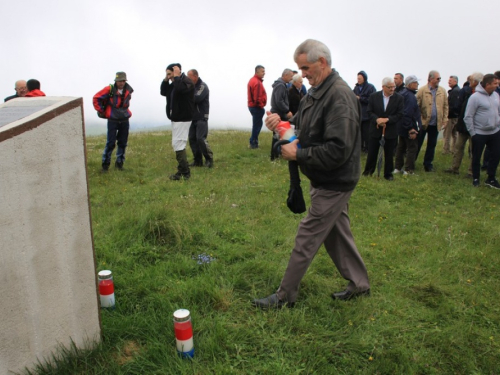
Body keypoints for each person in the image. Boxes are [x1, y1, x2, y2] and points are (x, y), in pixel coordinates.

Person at [253, 39, 370, 309]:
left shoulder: (340, 96)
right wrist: (280, 123)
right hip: (323, 177)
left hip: (335, 181)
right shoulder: (317, 91)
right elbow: (301, 125)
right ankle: (360, 284)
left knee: (307, 235)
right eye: (299, 68)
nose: (301, 74)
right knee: (337, 232)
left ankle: (284, 297)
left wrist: (299, 155)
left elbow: (339, 149)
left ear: (322, 63)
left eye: (305, 68)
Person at [362, 77, 404, 180]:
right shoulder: (373, 96)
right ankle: (368, 172)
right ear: (383, 87)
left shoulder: (399, 98)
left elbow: (400, 114)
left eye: (393, 87)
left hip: (390, 131)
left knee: (389, 154)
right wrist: (377, 120)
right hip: (375, 130)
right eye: (390, 87)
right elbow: (369, 111)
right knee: (372, 152)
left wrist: (387, 119)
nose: (392, 89)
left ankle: (388, 174)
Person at [464, 74, 500, 188]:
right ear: (487, 84)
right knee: (476, 156)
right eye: (495, 83)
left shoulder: (496, 95)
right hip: (479, 133)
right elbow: (468, 116)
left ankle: (491, 178)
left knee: (496, 154)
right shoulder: (475, 97)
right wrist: (473, 133)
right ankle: (476, 178)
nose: (497, 85)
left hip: (495, 131)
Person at [93, 72, 133, 172]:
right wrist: (102, 111)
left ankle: (119, 164)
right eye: (120, 81)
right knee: (110, 143)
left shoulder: (128, 90)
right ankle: (105, 165)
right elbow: (96, 98)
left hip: (124, 119)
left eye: (123, 81)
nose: (122, 83)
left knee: (123, 142)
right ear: (116, 81)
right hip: (112, 120)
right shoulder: (109, 89)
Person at [161, 63, 195, 180]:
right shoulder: (174, 83)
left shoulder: (186, 82)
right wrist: (167, 79)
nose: (169, 76)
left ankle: (185, 172)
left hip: (183, 118)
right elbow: (163, 92)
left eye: (170, 74)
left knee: (179, 143)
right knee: (177, 144)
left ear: (177, 72)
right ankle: (182, 171)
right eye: (167, 74)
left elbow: (180, 89)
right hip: (176, 118)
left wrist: (175, 77)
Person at [445, 73, 482, 176]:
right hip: (463, 125)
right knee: (458, 147)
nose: (469, 83)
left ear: (475, 82)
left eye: (471, 81)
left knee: (473, 149)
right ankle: (454, 168)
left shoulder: (481, 95)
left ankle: (471, 171)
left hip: (475, 127)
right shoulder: (467, 92)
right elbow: (460, 107)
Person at [416, 70, 448, 172]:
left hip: (436, 122)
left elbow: (446, 106)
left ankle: (428, 164)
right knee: (418, 143)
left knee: (432, 144)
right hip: (424, 122)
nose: (439, 80)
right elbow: (416, 106)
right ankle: (411, 161)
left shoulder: (442, 91)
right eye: (437, 78)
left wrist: (445, 119)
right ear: (430, 78)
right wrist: (419, 119)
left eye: (440, 79)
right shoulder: (422, 90)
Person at [394, 75, 422, 175]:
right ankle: (408, 170)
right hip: (408, 126)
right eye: (415, 82)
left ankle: (397, 168)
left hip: (400, 126)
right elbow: (408, 113)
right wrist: (411, 128)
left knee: (401, 147)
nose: (417, 84)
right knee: (412, 147)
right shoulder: (410, 96)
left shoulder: (402, 93)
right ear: (410, 84)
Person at [186, 69, 214, 168]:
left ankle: (209, 159)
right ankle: (197, 160)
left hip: (201, 117)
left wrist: (186, 94)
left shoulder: (203, 86)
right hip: (192, 117)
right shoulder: (190, 87)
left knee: (200, 138)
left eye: (189, 76)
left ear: (195, 76)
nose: (187, 78)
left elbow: (197, 98)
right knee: (192, 139)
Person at [270, 68, 294, 160]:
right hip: (278, 113)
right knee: (277, 135)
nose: (291, 78)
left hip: (279, 113)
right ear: (285, 75)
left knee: (278, 135)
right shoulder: (280, 85)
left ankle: (277, 154)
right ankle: (274, 156)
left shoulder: (282, 85)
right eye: (290, 76)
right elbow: (279, 101)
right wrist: (287, 111)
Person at [353, 71, 376, 153]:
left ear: (364, 78)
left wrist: (361, 98)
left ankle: (368, 148)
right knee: (359, 132)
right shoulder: (356, 88)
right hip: (358, 114)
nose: (358, 80)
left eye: (360, 78)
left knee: (367, 132)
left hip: (367, 114)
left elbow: (373, 99)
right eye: (357, 78)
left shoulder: (370, 87)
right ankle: (361, 147)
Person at [247, 65, 267, 149]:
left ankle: (253, 142)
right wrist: (261, 106)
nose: (264, 73)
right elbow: (257, 98)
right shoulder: (257, 82)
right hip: (256, 107)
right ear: (257, 71)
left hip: (252, 106)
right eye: (262, 71)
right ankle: (253, 144)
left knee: (256, 125)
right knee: (257, 126)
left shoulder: (252, 80)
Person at [443, 76, 461, 154]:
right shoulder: (457, 90)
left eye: (450, 80)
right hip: (456, 115)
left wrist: (447, 114)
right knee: (454, 134)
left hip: (451, 116)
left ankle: (446, 150)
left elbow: (452, 104)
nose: (448, 82)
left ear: (455, 82)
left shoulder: (454, 91)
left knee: (447, 134)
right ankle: (454, 149)